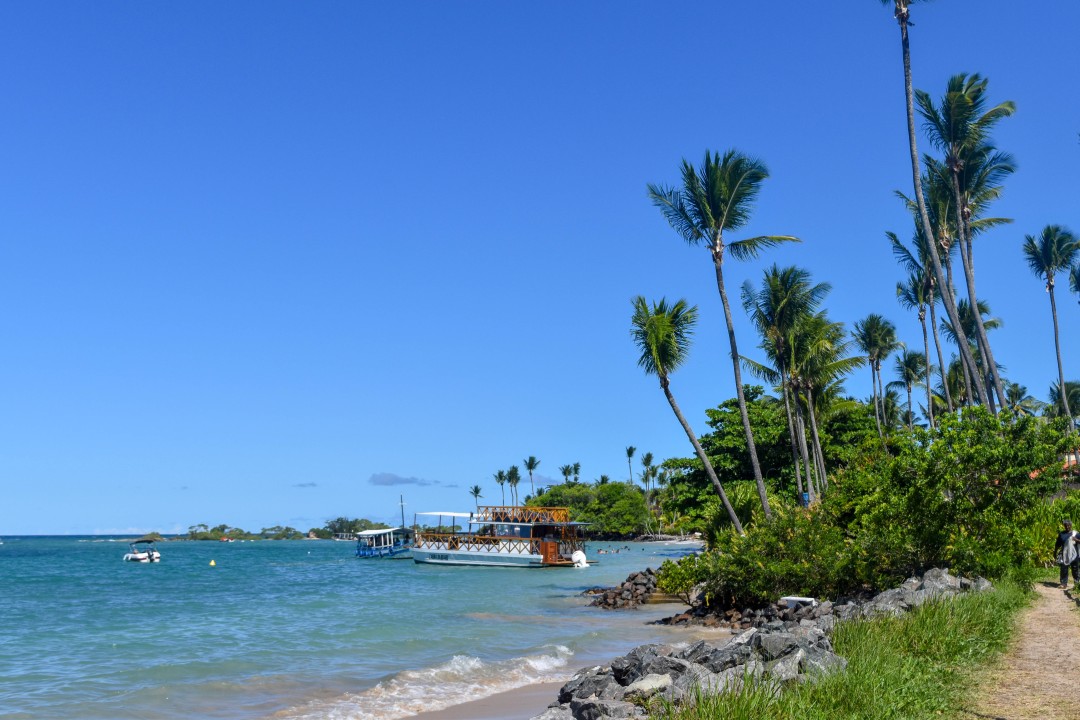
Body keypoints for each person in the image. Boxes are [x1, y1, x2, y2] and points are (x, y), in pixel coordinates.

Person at [1054, 519, 1080, 588]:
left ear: (1071, 525)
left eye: (1068, 525)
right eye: (1065, 526)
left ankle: (1077, 584)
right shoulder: (1061, 534)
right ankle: (1063, 583)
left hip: (1074, 555)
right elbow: (1057, 544)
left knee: (1075, 570)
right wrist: (1055, 552)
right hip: (1065, 555)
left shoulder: (1076, 534)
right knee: (1064, 569)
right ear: (1064, 526)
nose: (1067, 527)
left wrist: (1076, 540)